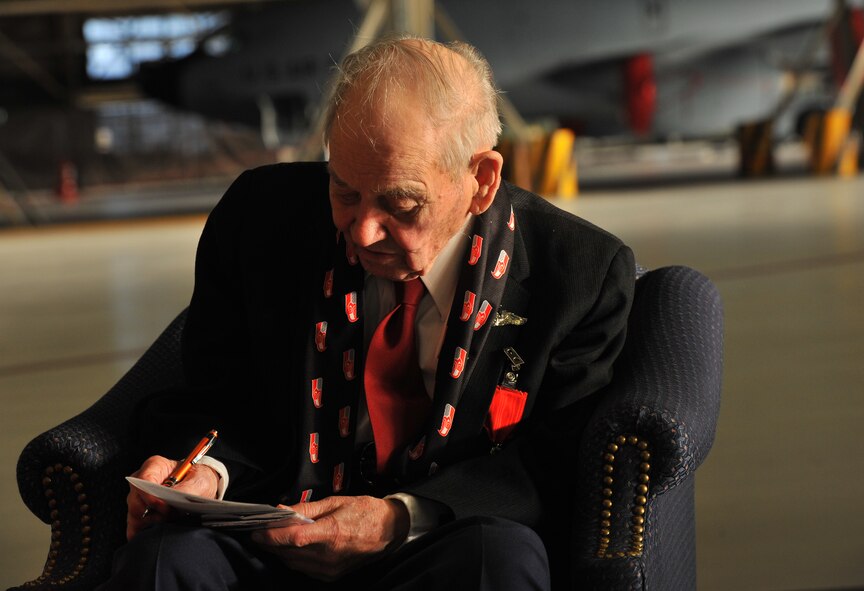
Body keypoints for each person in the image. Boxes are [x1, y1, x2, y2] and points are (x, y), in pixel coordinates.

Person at [99, 34, 635, 591]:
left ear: (481, 181)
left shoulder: (579, 275)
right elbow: (210, 395)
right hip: (272, 529)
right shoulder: (257, 219)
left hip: (436, 538)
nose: (363, 232)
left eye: (401, 204)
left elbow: (554, 462)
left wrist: (399, 519)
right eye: (345, 192)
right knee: (163, 559)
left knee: (496, 559)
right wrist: (203, 472)